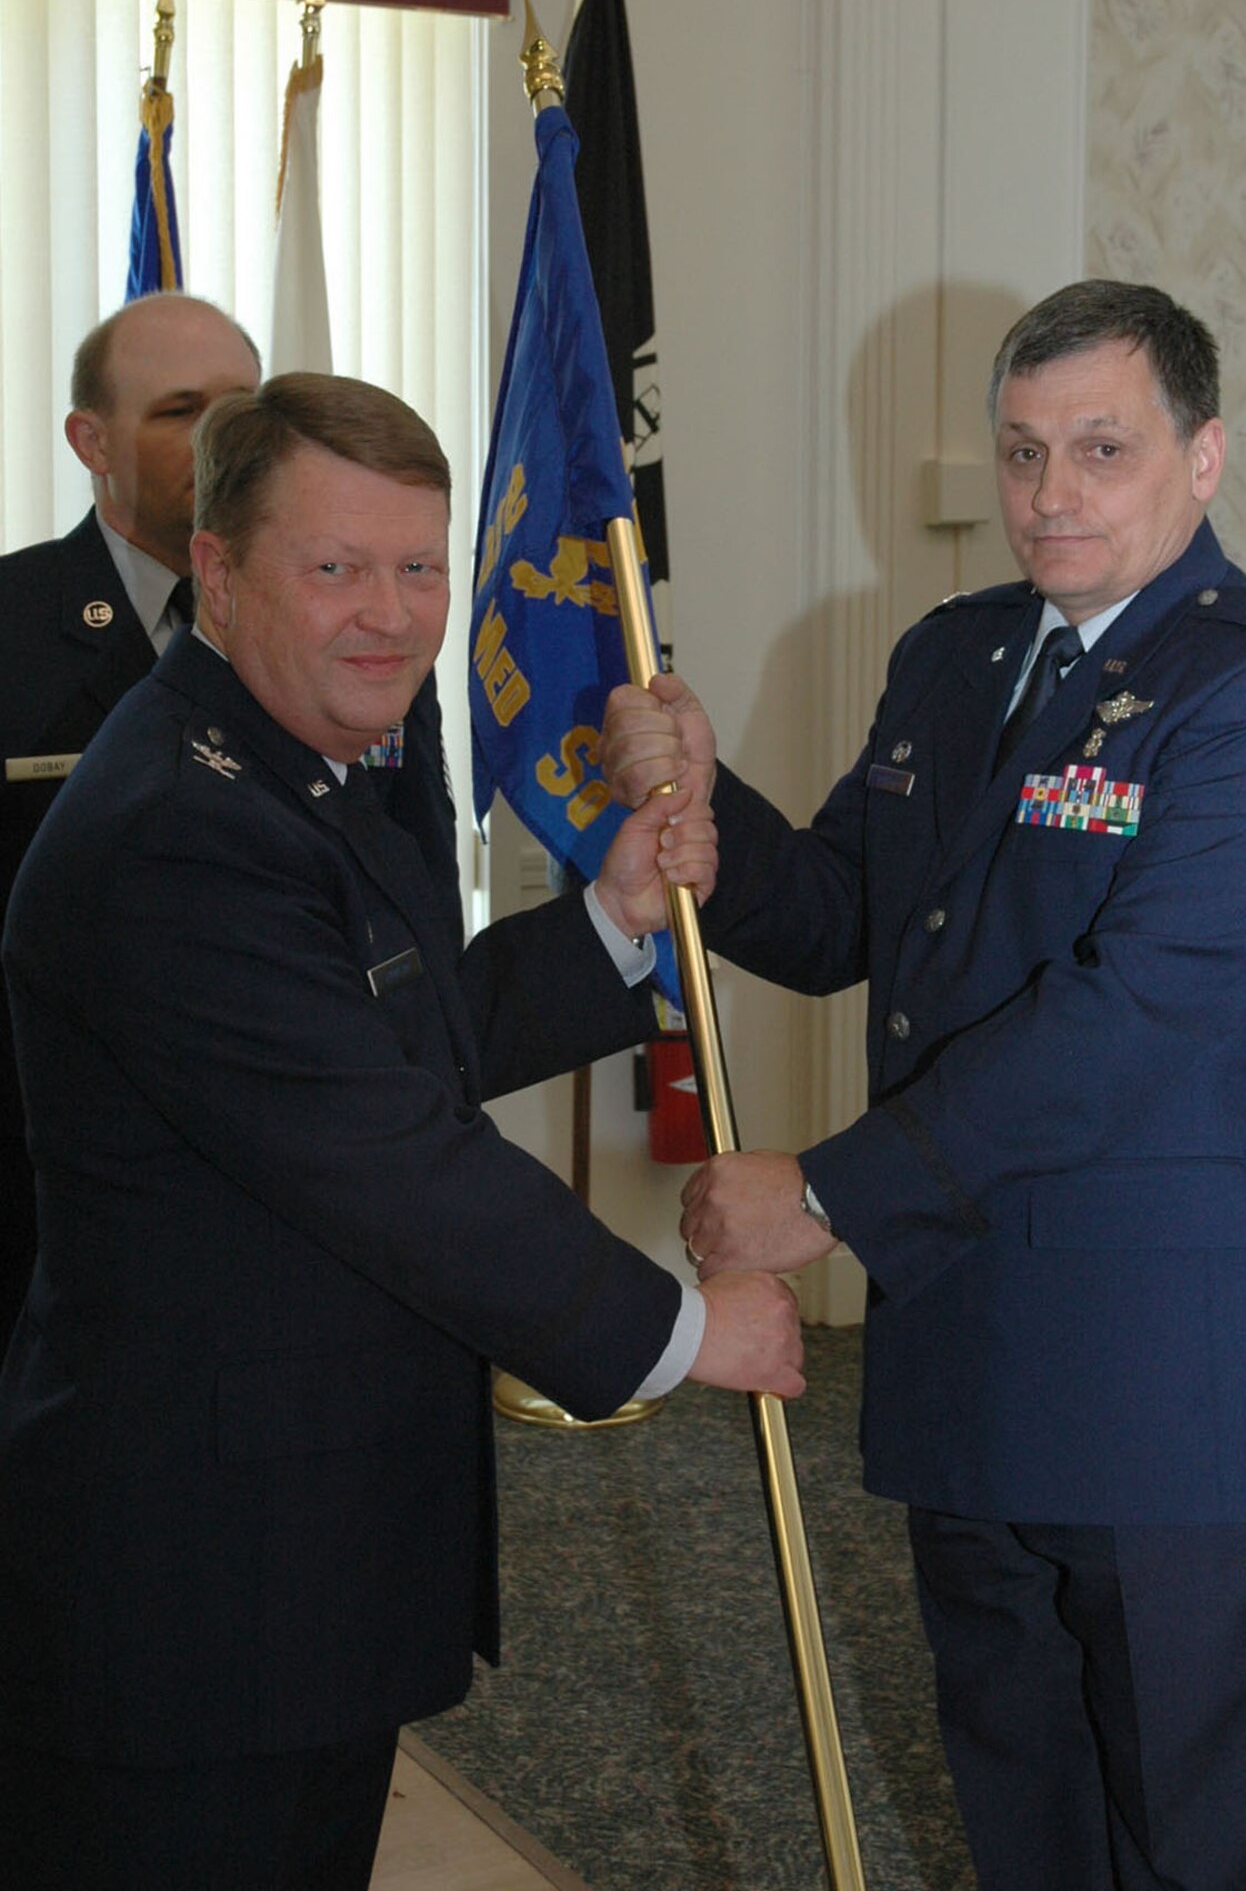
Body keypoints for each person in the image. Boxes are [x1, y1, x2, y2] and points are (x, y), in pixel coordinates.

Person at [0, 372, 804, 1891]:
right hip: (191, 1578)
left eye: (419, 567)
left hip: (296, 1551)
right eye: (336, 569)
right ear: (222, 574)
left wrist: (618, 920)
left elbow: (385, 1037)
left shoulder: (299, 758)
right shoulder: (184, 825)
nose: (392, 614)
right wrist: (685, 1331)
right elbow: (389, 1158)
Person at [600, 280, 1246, 1891]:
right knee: (1027, 1819)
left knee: (1213, 1840)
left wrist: (825, 1193)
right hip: (973, 1354)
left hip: (1167, 1385)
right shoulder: (956, 654)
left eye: (1100, 449)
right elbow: (858, 914)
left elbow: (1144, 1022)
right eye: (1020, 452)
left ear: (1200, 460)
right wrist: (719, 818)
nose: (1052, 494)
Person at [0, 293, 262, 1342]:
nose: (221, 438)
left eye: (243, 405)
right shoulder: (12, 629)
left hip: (273, 1161)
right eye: (179, 409)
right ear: (89, 439)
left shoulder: (326, 617)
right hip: (46, 1175)